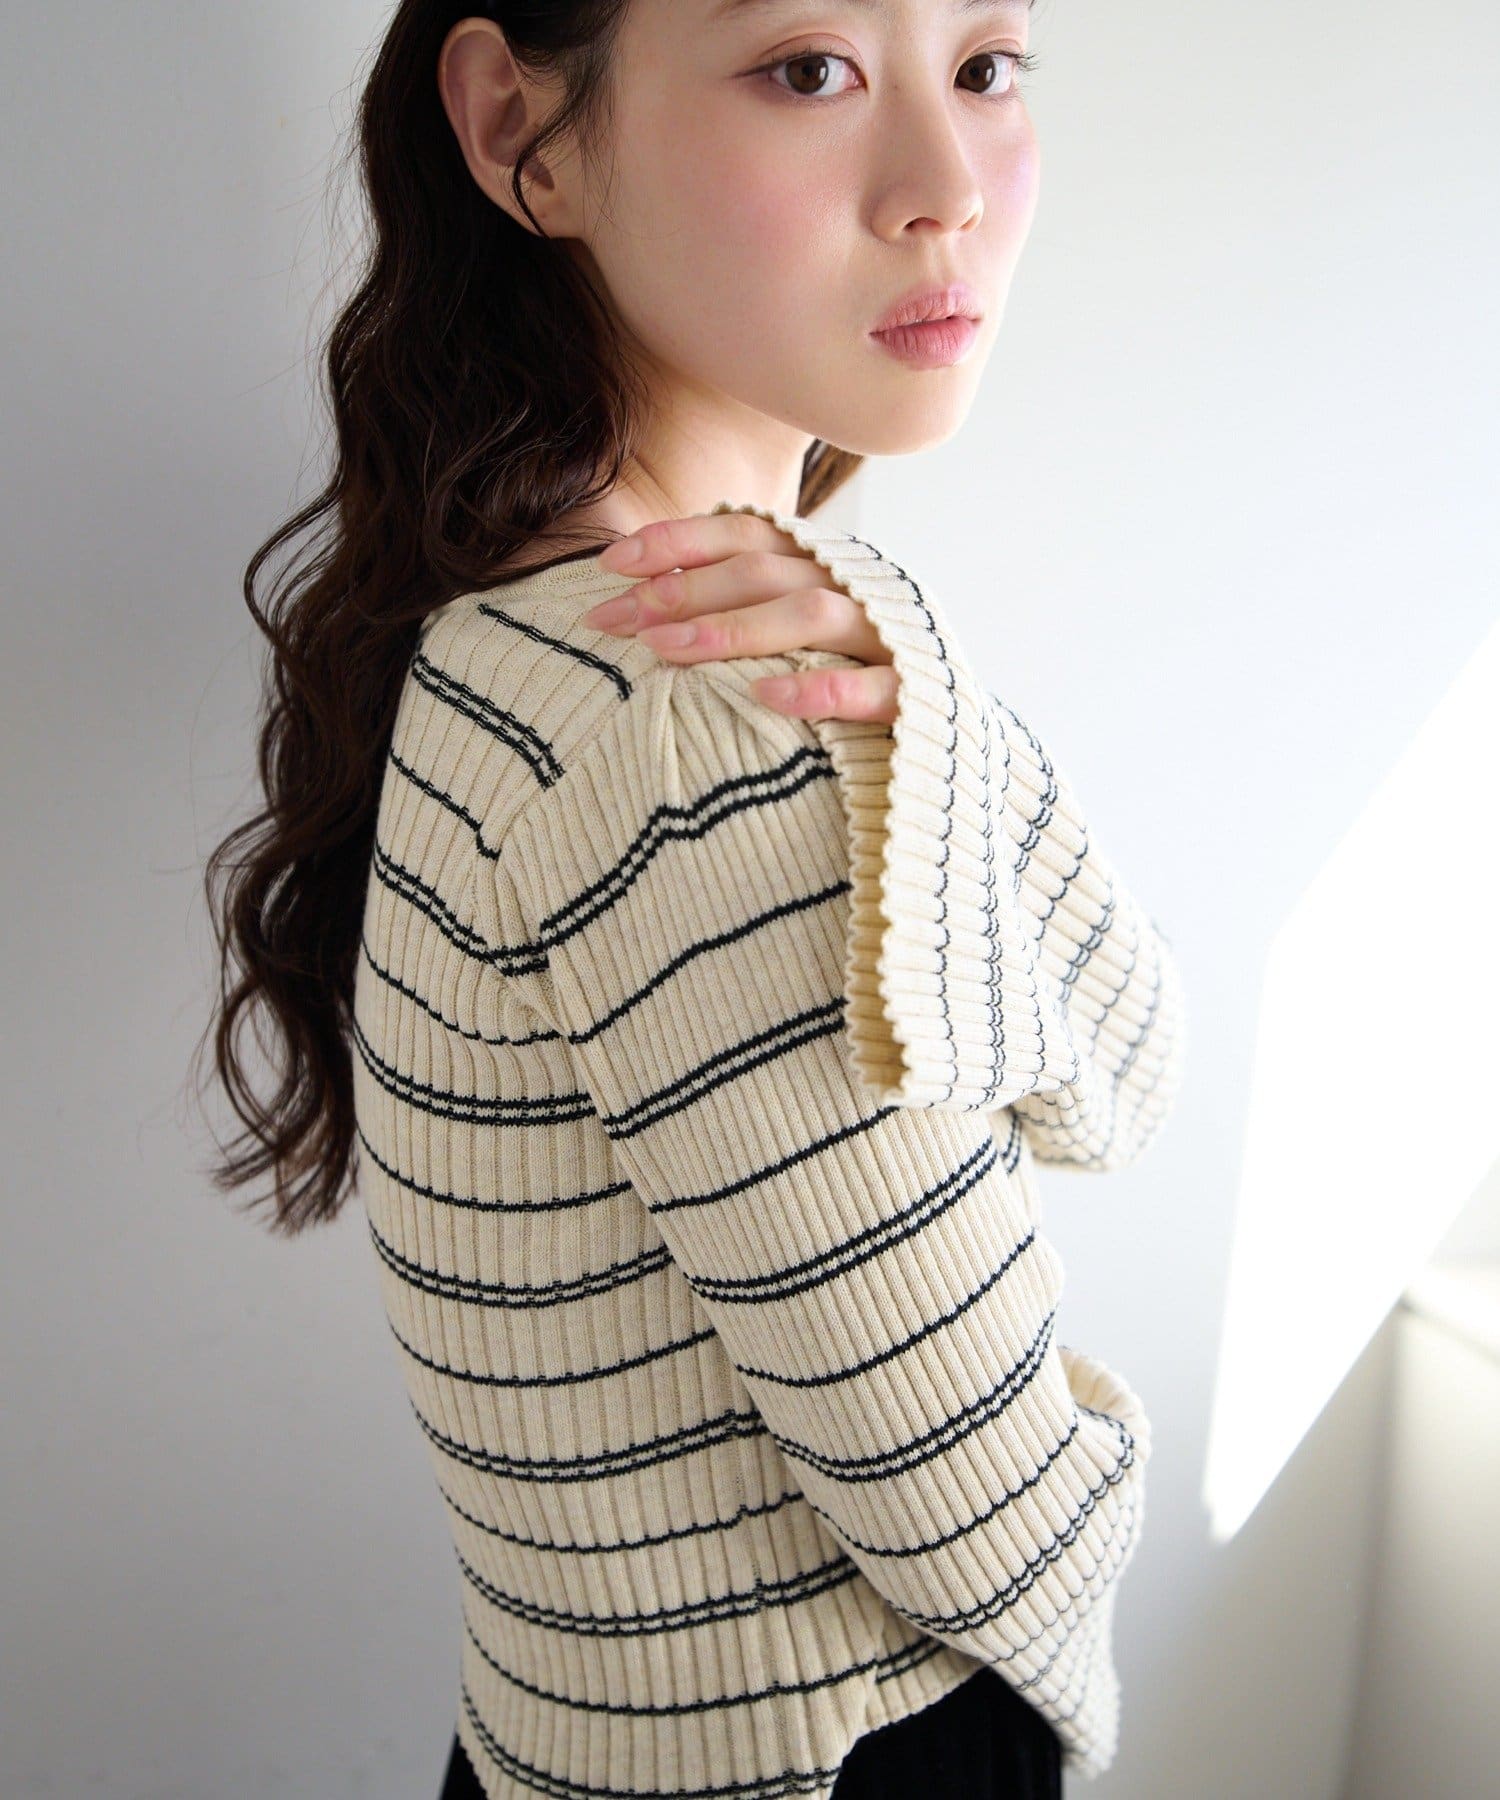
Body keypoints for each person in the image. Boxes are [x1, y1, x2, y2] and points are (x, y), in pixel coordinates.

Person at [198, 5, 1187, 1797]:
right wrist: (1106, 1484)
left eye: (985, 66)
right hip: (847, 1754)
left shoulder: (532, 640)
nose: (946, 188)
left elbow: (1122, 1068)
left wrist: (926, 690)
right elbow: (979, 1521)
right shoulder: (705, 710)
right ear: (520, 128)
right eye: (809, 68)